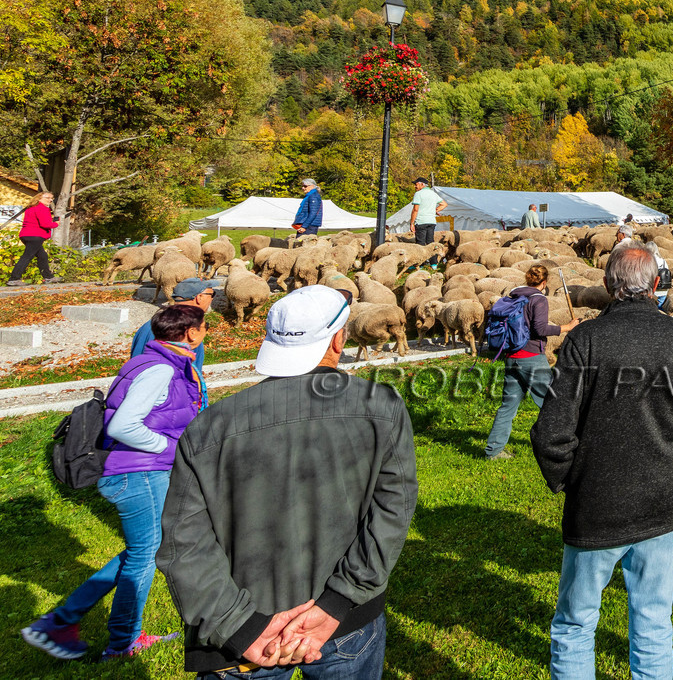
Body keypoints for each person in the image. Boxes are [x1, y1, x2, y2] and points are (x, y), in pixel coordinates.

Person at [156, 285, 417, 678]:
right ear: (337, 338)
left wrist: (238, 625)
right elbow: (391, 511)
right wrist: (338, 602)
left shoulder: (210, 426)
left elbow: (184, 541)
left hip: (246, 635)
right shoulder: (381, 407)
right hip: (345, 623)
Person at [533, 244, 673, 680]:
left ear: (606, 287)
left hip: (595, 506)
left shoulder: (585, 341)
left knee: (576, 624)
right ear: (657, 285)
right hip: (661, 504)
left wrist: (572, 479)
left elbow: (551, 433)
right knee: (653, 624)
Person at [22, 303, 206, 662]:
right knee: (145, 556)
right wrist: (169, 446)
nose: (204, 334)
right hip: (139, 475)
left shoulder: (151, 361)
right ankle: (120, 642)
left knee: (142, 552)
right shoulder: (160, 370)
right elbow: (122, 426)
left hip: (135, 473)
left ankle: (62, 621)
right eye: (203, 328)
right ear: (191, 333)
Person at [484, 264, 563, 459]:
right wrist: (565, 327)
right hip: (532, 359)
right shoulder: (539, 299)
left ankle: (492, 452)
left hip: (511, 357)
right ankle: (560, 447)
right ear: (544, 283)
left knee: (507, 406)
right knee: (553, 404)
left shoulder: (514, 296)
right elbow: (540, 329)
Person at [131, 277, 218, 406]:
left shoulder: (166, 325)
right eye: (211, 294)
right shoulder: (165, 329)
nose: (212, 299)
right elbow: (140, 371)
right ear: (199, 297)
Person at [6, 190, 62, 286]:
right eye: (47, 198)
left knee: (42, 256)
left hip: (26, 235)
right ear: (39, 198)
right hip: (35, 236)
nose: (50, 200)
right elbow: (45, 224)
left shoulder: (31, 208)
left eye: (51, 198)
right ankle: (14, 279)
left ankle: (48, 277)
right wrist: (55, 224)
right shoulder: (42, 208)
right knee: (27, 256)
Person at [405, 177, 445, 249]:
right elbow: (444, 204)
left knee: (420, 243)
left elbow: (415, 209)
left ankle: (421, 260)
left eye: (416, 184)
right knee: (430, 242)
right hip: (431, 222)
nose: (415, 186)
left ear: (422, 184)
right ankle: (433, 260)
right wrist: (436, 210)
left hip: (421, 222)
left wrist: (412, 223)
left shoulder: (418, 194)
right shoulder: (433, 194)